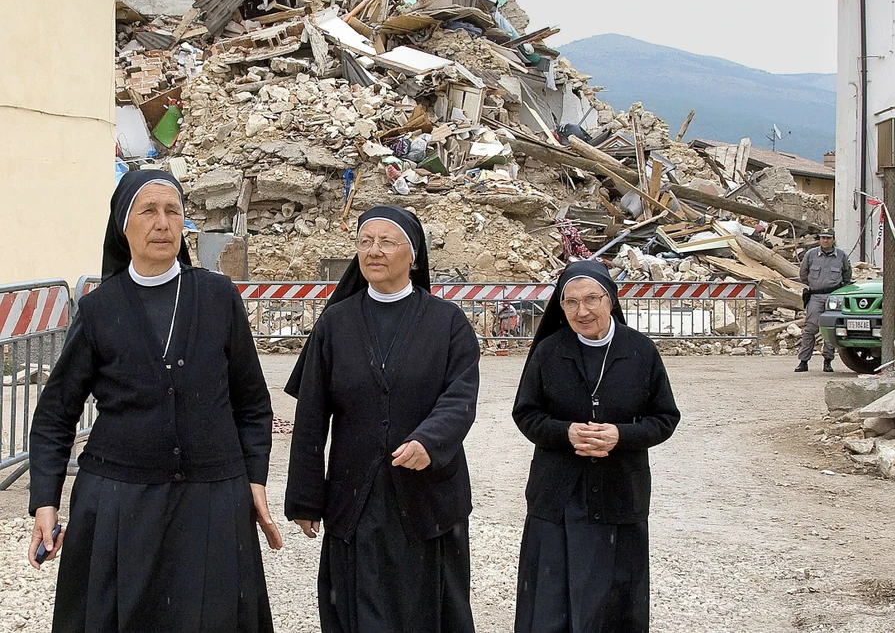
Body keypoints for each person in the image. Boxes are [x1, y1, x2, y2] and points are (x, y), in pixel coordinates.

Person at [27, 169, 281, 633]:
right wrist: (46, 501)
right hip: (120, 500)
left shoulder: (218, 296)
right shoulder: (100, 309)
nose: (163, 223)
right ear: (123, 226)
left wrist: (255, 478)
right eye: (148, 211)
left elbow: (252, 404)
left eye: (173, 211)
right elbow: (55, 415)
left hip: (211, 497)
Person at [285, 206, 479, 633]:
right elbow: (311, 415)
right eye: (365, 241)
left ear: (414, 255)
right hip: (356, 494)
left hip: (428, 493)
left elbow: (461, 396)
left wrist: (430, 441)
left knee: (431, 607)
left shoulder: (447, 322)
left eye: (386, 242)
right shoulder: (335, 323)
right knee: (361, 604)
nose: (373, 251)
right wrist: (305, 497)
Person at [512, 260, 680, 633]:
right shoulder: (548, 352)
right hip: (557, 494)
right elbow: (525, 414)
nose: (582, 311)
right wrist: (566, 433)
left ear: (611, 300)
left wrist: (622, 436)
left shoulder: (640, 351)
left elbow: (665, 418)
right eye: (571, 302)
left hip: (619, 492)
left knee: (613, 604)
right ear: (560, 306)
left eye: (592, 299)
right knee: (550, 605)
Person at [796, 229, 852, 372]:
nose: (825, 241)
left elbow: (847, 276)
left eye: (828, 238)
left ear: (833, 239)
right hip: (815, 296)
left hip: (833, 296)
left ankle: (828, 361)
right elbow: (803, 274)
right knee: (810, 328)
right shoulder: (811, 254)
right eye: (823, 238)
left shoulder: (841, 256)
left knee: (830, 329)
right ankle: (803, 361)